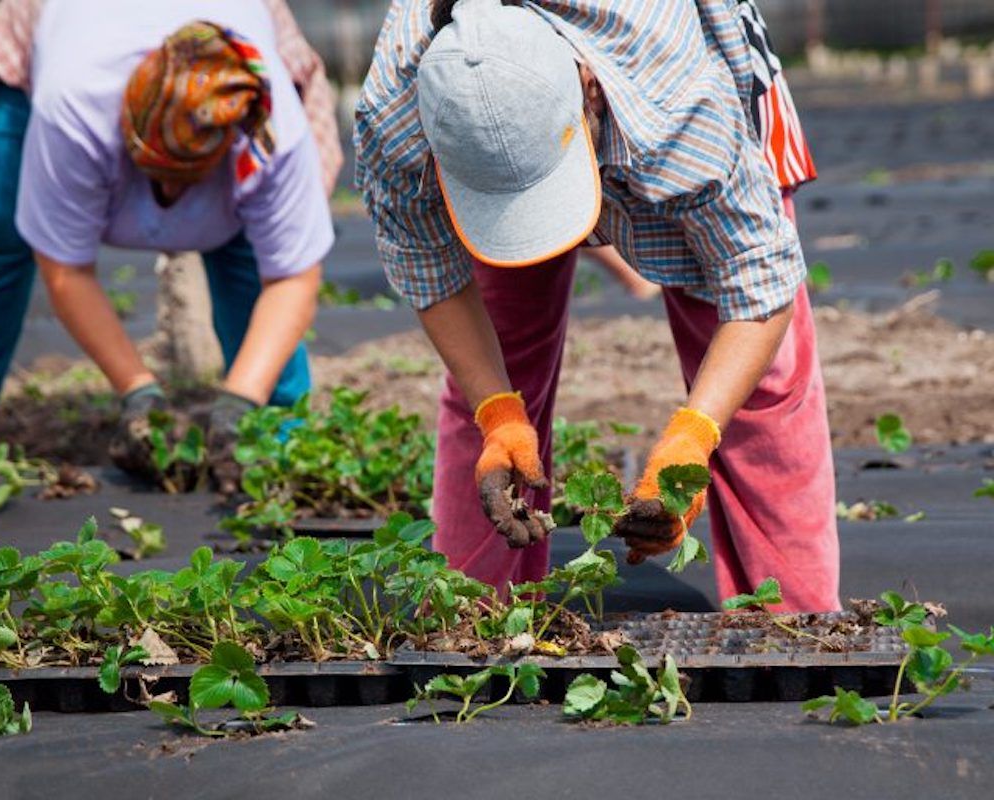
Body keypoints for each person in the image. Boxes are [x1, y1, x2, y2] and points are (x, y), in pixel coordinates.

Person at [355, 0, 838, 612]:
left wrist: (691, 438)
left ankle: (794, 617)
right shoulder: (394, 118)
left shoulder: (685, 99)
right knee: (495, 368)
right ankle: (473, 614)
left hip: (663, 96)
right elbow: (431, 274)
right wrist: (498, 413)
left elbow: (760, 282)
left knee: (760, 384)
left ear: (587, 90)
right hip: (525, 118)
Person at [0, 0, 340, 487]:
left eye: (187, 180)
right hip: (60, 32)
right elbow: (65, 269)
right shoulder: (73, 105)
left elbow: (292, 275)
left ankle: (275, 440)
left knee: (250, 251)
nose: (171, 197)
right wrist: (138, 390)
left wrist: (241, 399)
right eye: (162, 176)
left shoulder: (271, 125)